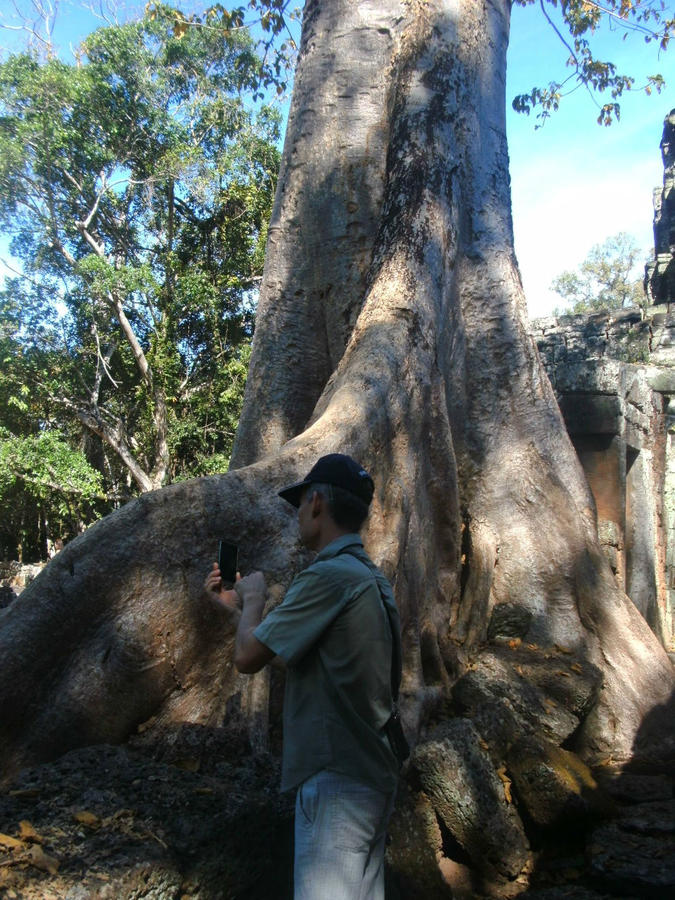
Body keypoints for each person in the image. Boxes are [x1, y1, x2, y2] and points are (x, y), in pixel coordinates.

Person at [203, 453, 402, 900]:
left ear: (315, 503)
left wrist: (254, 598)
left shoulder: (327, 577)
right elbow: (298, 658)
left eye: (299, 505)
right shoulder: (368, 577)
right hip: (370, 777)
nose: (298, 515)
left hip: (337, 786)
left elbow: (248, 659)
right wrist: (236, 614)